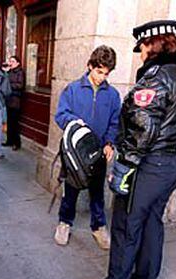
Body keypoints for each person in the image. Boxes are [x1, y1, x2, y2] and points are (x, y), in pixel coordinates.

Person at [77, 20, 176, 279]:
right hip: (169, 165)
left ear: (154, 46)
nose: (141, 54)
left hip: (147, 166)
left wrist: (123, 167)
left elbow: (143, 129)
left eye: (143, 48)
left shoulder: (155, 80)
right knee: (152, 224)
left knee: (125, 227)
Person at [54, 45, 121, 250]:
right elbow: (61, 115)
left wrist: (110, 143)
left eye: (106, 73)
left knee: (97, 192)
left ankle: (99, 226)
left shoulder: (113, 95)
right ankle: (65, 223)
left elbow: (115, 122)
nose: (102, 77)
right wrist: (75, 122)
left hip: (98, 151)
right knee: (71, 190)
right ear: (90, 66)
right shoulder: (73, 89)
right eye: (98, 71)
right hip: (75, 151)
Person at [3, 56, 24, 151]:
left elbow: (20, 85)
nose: (10, 63)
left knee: (15, 123)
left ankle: (16, 143)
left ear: (18, 63)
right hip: (9, 100)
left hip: (16, 100)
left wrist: (9, 85)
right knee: (9, 122)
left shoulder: (20, 72)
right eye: (10, 61)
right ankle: (9, 140)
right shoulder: (9, 72)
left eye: (13, 61)